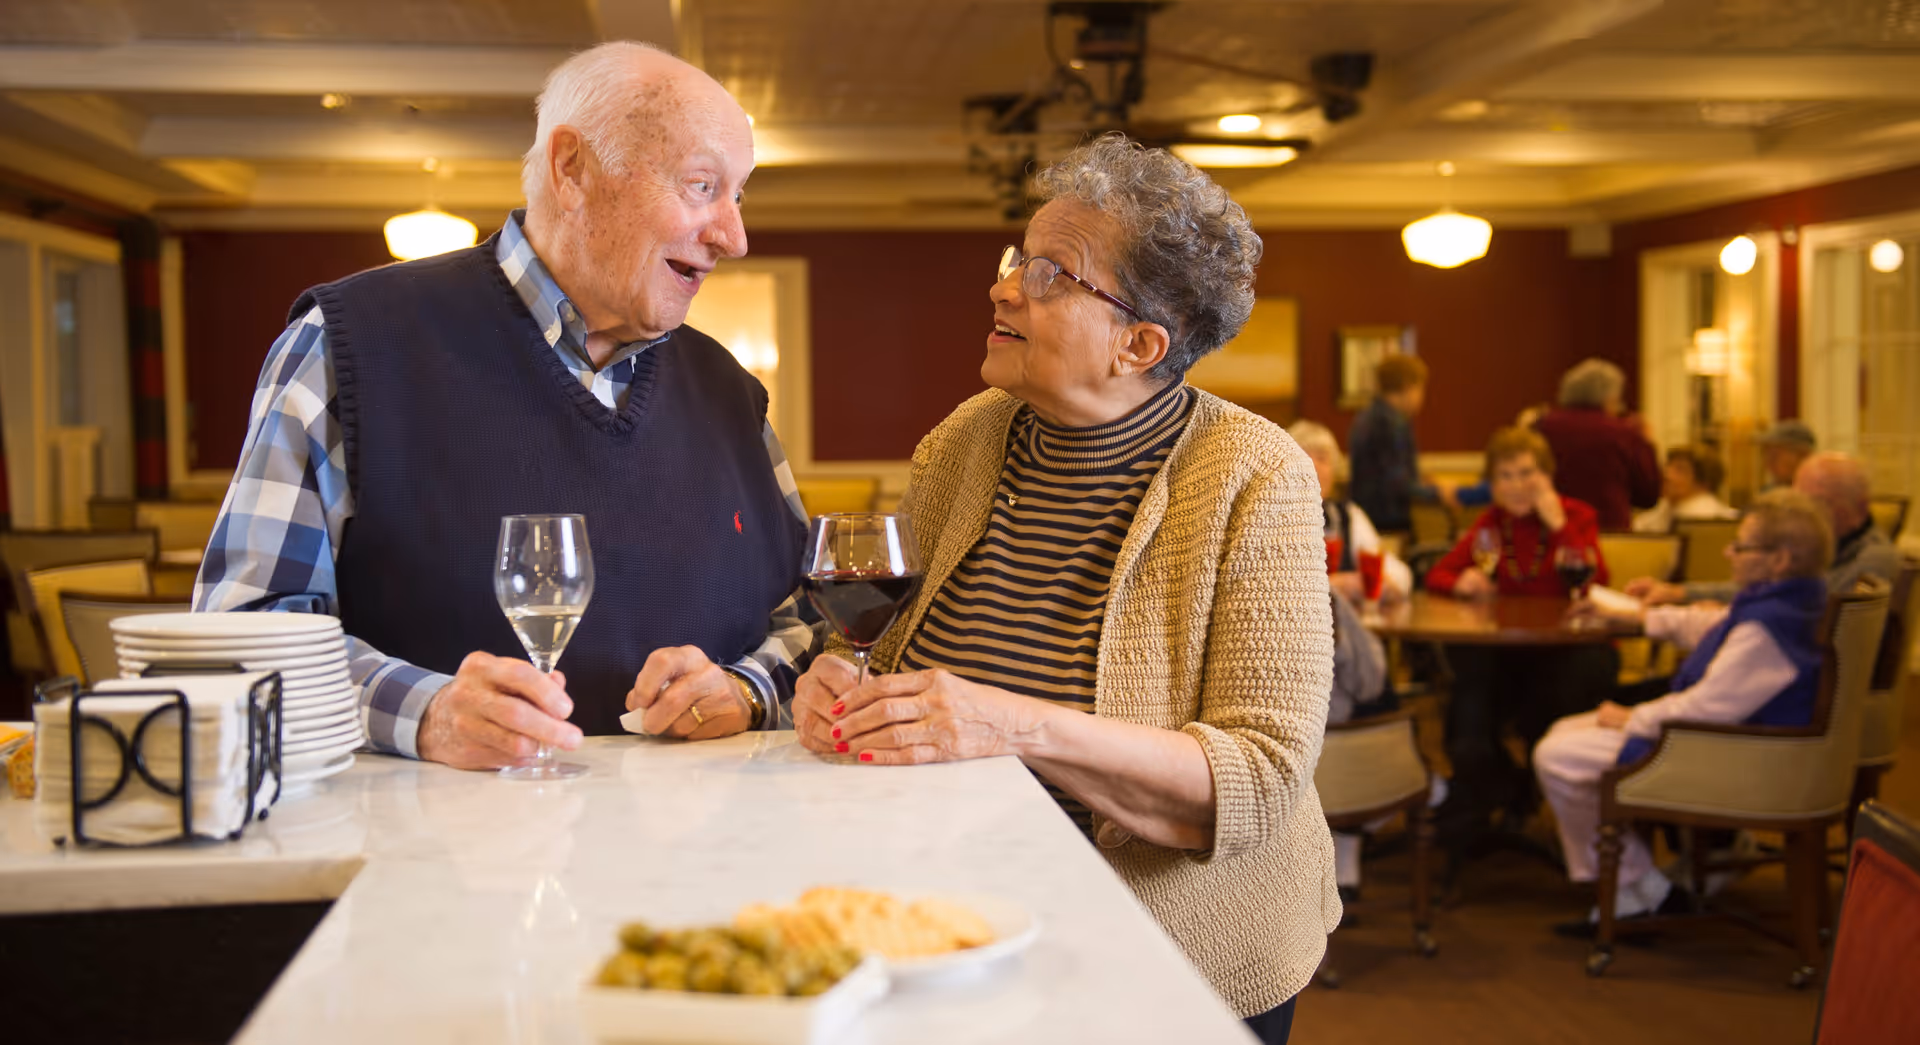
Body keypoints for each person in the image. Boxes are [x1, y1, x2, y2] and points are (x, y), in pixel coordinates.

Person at [789, 134, 1335, 1043]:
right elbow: (894, 652)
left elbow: (1260, 776)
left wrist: (1011, 724)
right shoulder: (965, 438)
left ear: (1139, 343)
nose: (1004, 287)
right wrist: (840, 684)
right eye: (1017, 259)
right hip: (951, 922)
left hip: (1171, 949)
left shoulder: (1254, 473)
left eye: (1051, 274)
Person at [195, 43, 814, 768]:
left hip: (705, 864)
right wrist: (421, 711)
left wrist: (743, 688)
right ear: (571, 169)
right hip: (426, 860)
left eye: (737, 196)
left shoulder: (730, 390)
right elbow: (239, 635)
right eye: (701, 185)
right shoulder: (345, 346)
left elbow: (807, 619)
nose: (732, 237)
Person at [1537, 491, 1835, 931]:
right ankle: (1635, 888)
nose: (1728, 552)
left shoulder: (1769, 628)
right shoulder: (1788, 603)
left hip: (1744, 760)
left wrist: (1632, 718)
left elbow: (1707, 708)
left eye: (1741, 545)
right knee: (1563, 731)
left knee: (1558, 756)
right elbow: (1713, 625)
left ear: (1780, 560)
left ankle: (1641, 892)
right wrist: (1641, 620)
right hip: (1751, 743)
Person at [1424, 427, 1615, 839]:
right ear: (1492, 484)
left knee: (1568, 682)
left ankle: (1523, 786)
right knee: (1468, 687)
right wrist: (1461, 584)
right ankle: (1500, 784)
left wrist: (1558, 524)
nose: (1516, 485)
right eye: (1505, 476)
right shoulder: (1492, 526)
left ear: (1546, 475)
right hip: (1510, 650)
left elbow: (1594, 581)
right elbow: (1438, 573)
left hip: (1569, 649)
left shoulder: (1576, 516)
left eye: (1527, 473)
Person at [1627, 451, 1897, 606]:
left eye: (1817, 503)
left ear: (1858, 509)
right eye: (1798, 499)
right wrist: (1681, 593)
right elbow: (1763, 590)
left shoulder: (1874, 560)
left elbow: (1809, 610)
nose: (1803, 514)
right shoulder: (1816, 545)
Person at [1288, 420, 1413, 604]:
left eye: (1322, 458)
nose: (1313, 468)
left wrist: (1380, 583)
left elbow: (1399, 575)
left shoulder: (1348, 515)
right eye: (1303, 457)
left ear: (1334, 469)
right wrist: (1331, 584)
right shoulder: (1270, 518)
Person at [1533, 358, 1660, 531]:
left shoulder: (1541, 427)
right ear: (1611, 396)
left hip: (1548, 528)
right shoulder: (1624, 433)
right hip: (1608, 532)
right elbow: (1648, 496)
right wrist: (1648, 444)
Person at [1348, 354, 1443, 533]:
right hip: (1387, 520)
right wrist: (1437, 492)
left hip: (1365, 516)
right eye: (1420, 388)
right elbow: (1396, 482)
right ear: (1408, 387)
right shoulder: (1391, 423)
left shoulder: (1365, 416)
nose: (1421, 397)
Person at [1631, 444, 1739, 533]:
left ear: (1704, 483)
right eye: (1668, 466)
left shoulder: (1711, 520)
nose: (1667, 475)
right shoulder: (1662, 510)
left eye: (1680, 470)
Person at [1758, 419, 1818, 489]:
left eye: (1774, 456)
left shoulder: (1820, 494)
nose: (1768, 464)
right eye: (1766, 455)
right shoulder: (1768, 493)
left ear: (1803, 456)